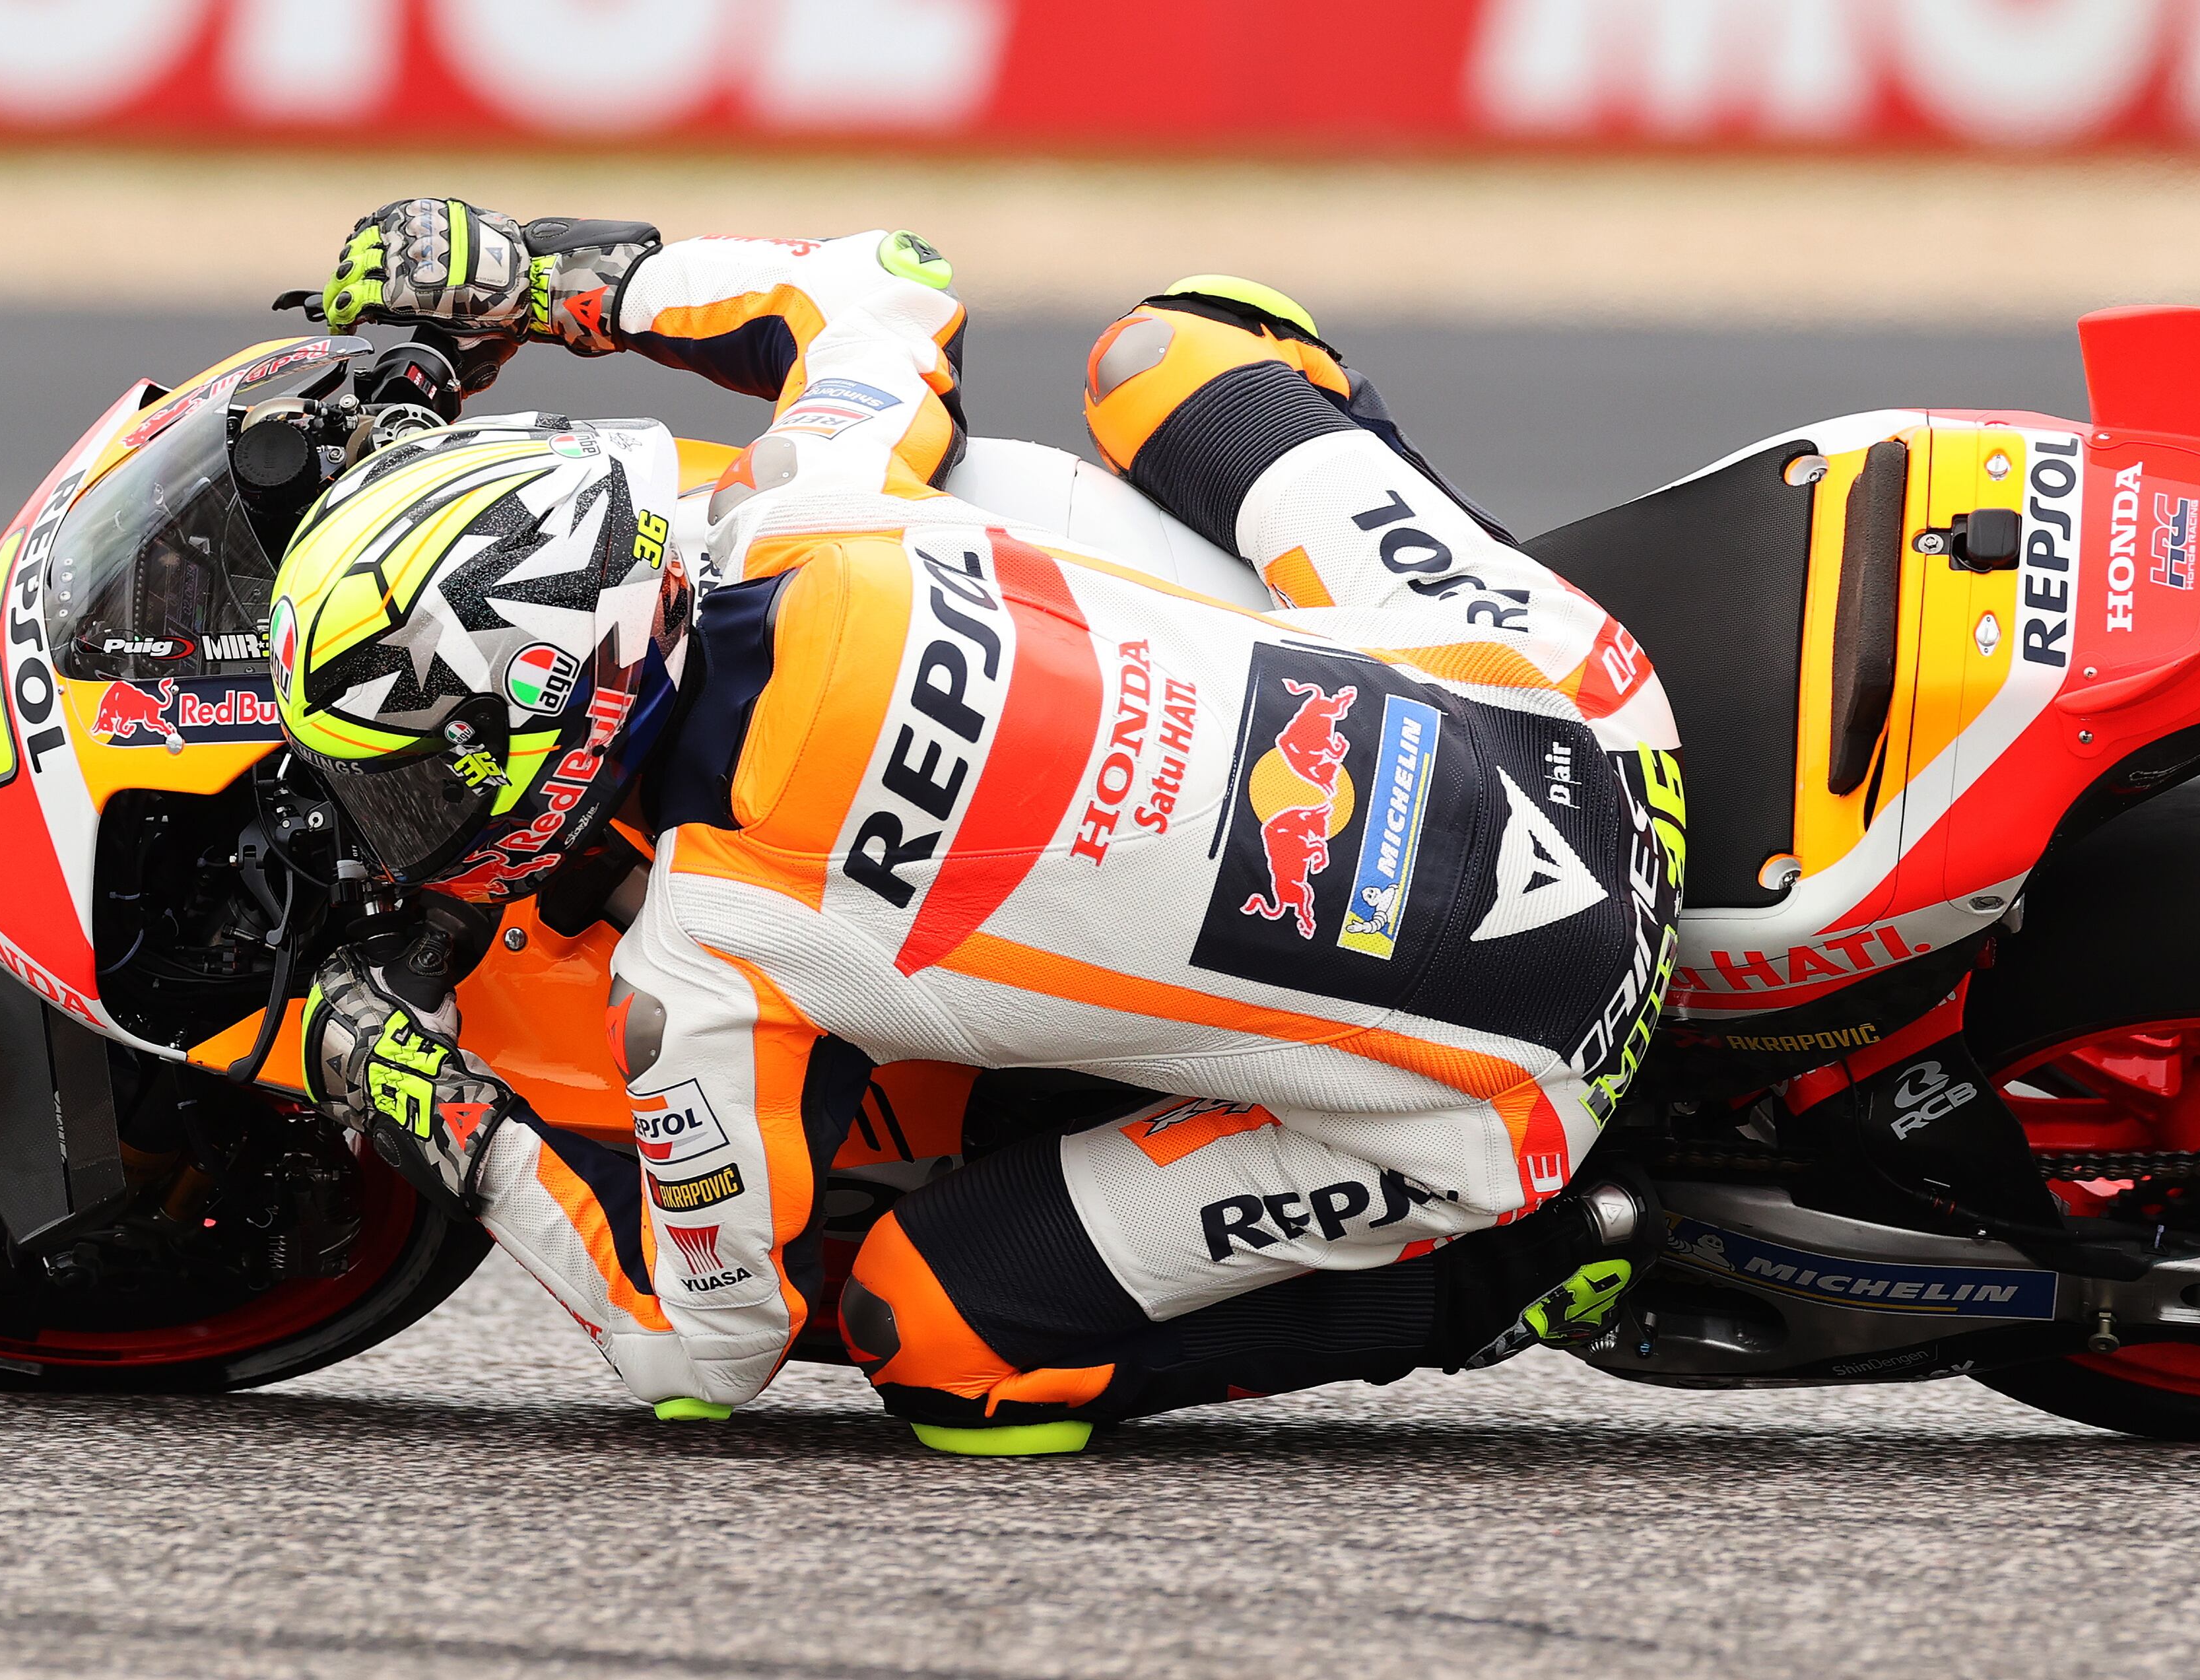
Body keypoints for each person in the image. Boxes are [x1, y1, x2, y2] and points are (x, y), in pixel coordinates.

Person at [279, 198, 1687, 1454]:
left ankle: (1528, 1264)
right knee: (1167, 350)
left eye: (412, 780)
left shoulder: (707, 956)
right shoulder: (807, 503)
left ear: (563, 727)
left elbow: (698, 1349)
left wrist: (447, 1116)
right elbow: (880, 280)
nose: (402, 818)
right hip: (1595, 713)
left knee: (940, 1335)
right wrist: (548, 281)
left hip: (1505, 1097)